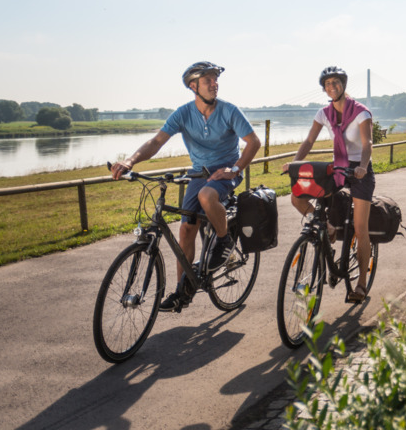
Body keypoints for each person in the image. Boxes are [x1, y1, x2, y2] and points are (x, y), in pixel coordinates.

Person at [111, 61, 261, 311]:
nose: (215, 84)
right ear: (194, 86)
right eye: (208, 81)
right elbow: (157, 141)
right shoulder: (183, 113)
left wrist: (235, 169)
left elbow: (253, 142)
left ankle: (223, 241)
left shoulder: (229, 111)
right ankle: (183, 290)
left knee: (206, 196)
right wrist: (130, 160)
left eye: (215, 80)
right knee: (185, 231)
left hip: (226, 171)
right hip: (198, 173)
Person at [286, 66, 374, 303]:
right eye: (327, 84)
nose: (332, 87)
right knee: (297, 197)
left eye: (336, 83)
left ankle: (361, 285)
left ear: (343, 85)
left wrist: (363, 167)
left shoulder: (361, 113)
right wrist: (295, 164)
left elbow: (367, 144)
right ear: (324, 88)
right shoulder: (323, 113)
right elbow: (309, 140)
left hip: (359, 171)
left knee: (360, 227)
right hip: (337, 169)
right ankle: (329, 228)